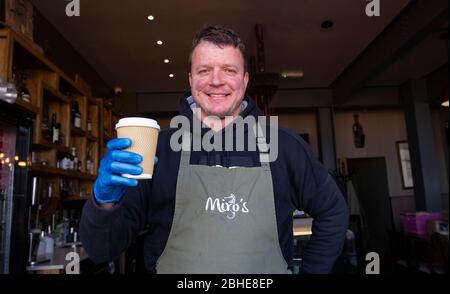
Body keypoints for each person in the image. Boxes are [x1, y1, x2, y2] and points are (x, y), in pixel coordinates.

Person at [80, 25, 348, 274]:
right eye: (204, 70)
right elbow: (102, 250)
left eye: (229, 70)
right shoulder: (158, 149)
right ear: (191, 78)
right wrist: (104, 203)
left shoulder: (284, 145)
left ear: (244, 81)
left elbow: (333, 211)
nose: (216, 81)